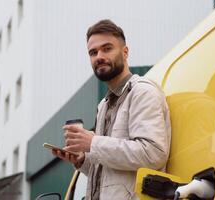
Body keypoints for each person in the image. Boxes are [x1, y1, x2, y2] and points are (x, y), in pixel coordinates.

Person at [52, 19, 171, 200]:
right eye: (93, 52)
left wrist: (93, 143)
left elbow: (153, 153)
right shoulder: (104, 105)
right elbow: (110, 172)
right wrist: (83, 160)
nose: (99, 56)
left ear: (125, 52)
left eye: (107, 48)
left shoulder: (142, 92)